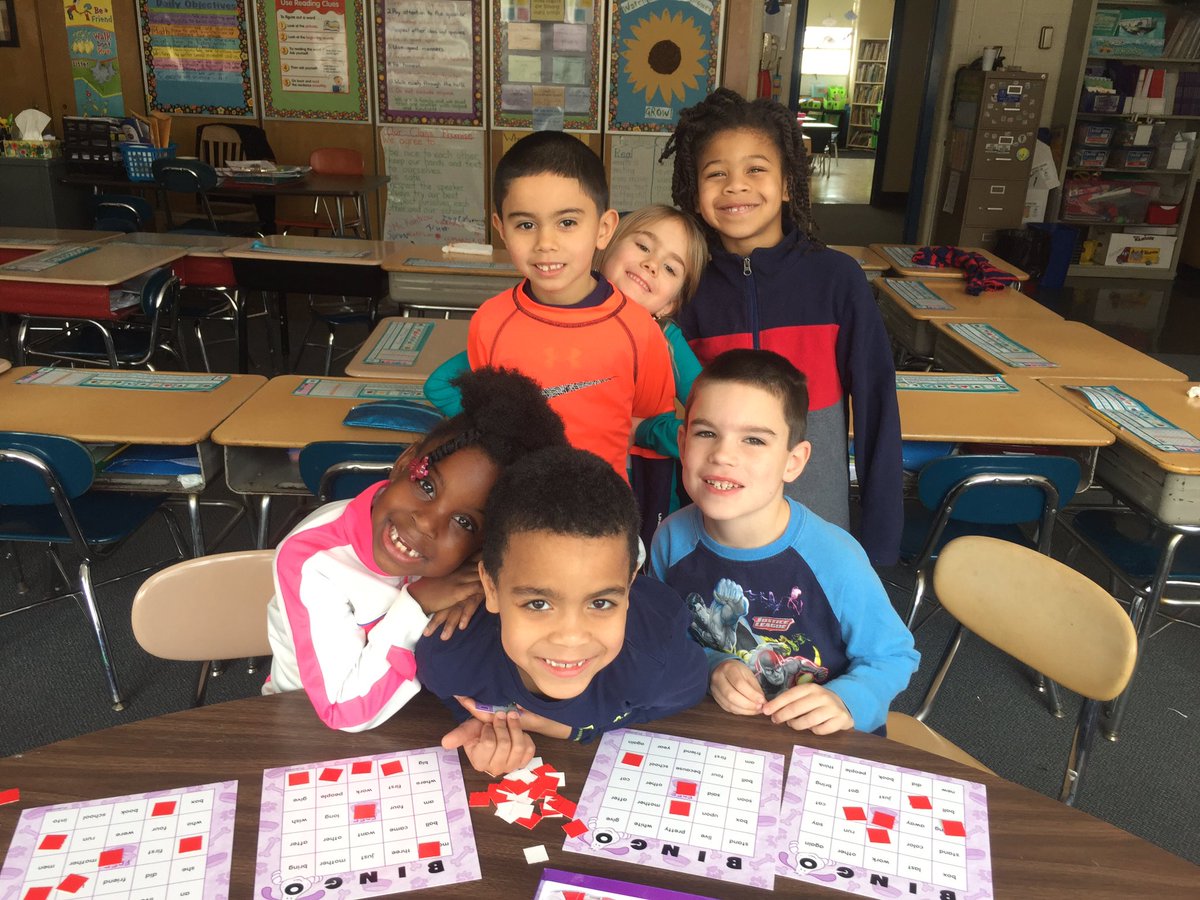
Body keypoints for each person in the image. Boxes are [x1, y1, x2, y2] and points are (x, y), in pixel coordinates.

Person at [662, 88, 903, 565]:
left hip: (820, 513)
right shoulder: (685, 287)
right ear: (694, 192)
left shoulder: (837, 280)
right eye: (716, 174)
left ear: (789, 183)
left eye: (756, 169)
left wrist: (879, 540)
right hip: (713, 517)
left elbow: (878, 406)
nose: (735, 186)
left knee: (815, 628)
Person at [263, 368, 568, 733]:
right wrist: (420, 602)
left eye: (465, 522)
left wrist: (487, 576)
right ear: (406, 463)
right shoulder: (314, 559)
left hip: (416, 714)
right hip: (306, 723)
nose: (427, 523)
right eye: (426, 486)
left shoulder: (469, 561)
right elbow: (343, 710)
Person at [649, 349, 917, 736]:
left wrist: (847, 699)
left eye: (754, 440)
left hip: (822, 747)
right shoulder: (670, 539)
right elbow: (661, 635)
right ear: (682, 441)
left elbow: (893, 655)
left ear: (793, 461)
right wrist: (711, 665)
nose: (723, 455)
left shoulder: (835, 559)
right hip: (713, 735)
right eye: (706, 433)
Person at [415, 445, 709, 775]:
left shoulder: (659, 662)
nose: (571, 637)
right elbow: (453, 699)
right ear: (491, 587)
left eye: (601, 603)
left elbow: (689, 692)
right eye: (538, 604)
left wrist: (574, 729)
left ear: (628, 588)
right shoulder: (447, 658)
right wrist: (482, 728)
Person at [423, 131, 675, 482]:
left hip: (602, 514)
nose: (545, 243)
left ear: (604, 229)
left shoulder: (638, 330)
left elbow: (649, 429)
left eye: (567, 223)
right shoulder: (490, 322)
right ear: (501, 229)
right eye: (526, 224)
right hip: (512, 506)